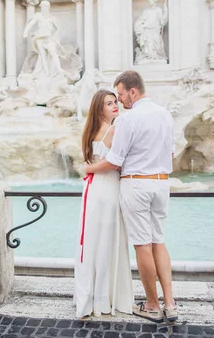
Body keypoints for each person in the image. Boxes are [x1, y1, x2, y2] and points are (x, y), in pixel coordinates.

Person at [84, 70, 177, 323]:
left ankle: (152, 305)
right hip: (161, 184)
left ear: (133, 91)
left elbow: (114, 160)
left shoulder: (128, 119)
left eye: (122, 95)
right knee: (159, 241)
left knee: (142, 246)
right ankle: (170, 303)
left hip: (136, 185)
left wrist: (88, 168)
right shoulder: (165, 114)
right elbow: (171, 156)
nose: (121, 101)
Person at [74, 90, 134, 319]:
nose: (115, 106)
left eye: (115, 102)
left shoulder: (89, 133)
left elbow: (90, 161)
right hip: (108, 189)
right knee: (108, 241)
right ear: (100, 109)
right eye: (109, 103)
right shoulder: (114, 130)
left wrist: (90, 169)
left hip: (91, 190)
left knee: (93, 240)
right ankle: (107, 296)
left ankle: (92, 295)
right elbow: (113, 162)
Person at [23, 0, 65, 78]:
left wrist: (55, 36)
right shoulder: (38, 16)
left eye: (45, 7)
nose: (43, 8)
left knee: (53, 52)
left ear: (48, 8)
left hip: (48, 38)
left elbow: (56, 30)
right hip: (40, 38)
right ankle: (46, 73)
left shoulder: (51, 18)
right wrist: (26, 32)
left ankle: (59, 69)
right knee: (43, 56)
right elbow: (31, 24)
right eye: (42, 7)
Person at [134, 0, 168, 64]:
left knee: (156, 42)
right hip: (147, 29)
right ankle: (149, 57)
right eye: (149, 1)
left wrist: (166, 11)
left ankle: (156, 56)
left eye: (151, 1)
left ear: (154, 1)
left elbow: (162, 21)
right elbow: (141, 19)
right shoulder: (146, 11)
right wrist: (141, 25)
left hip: (155, 29)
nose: (150, 2)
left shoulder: (158, 10)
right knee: (148, 44)